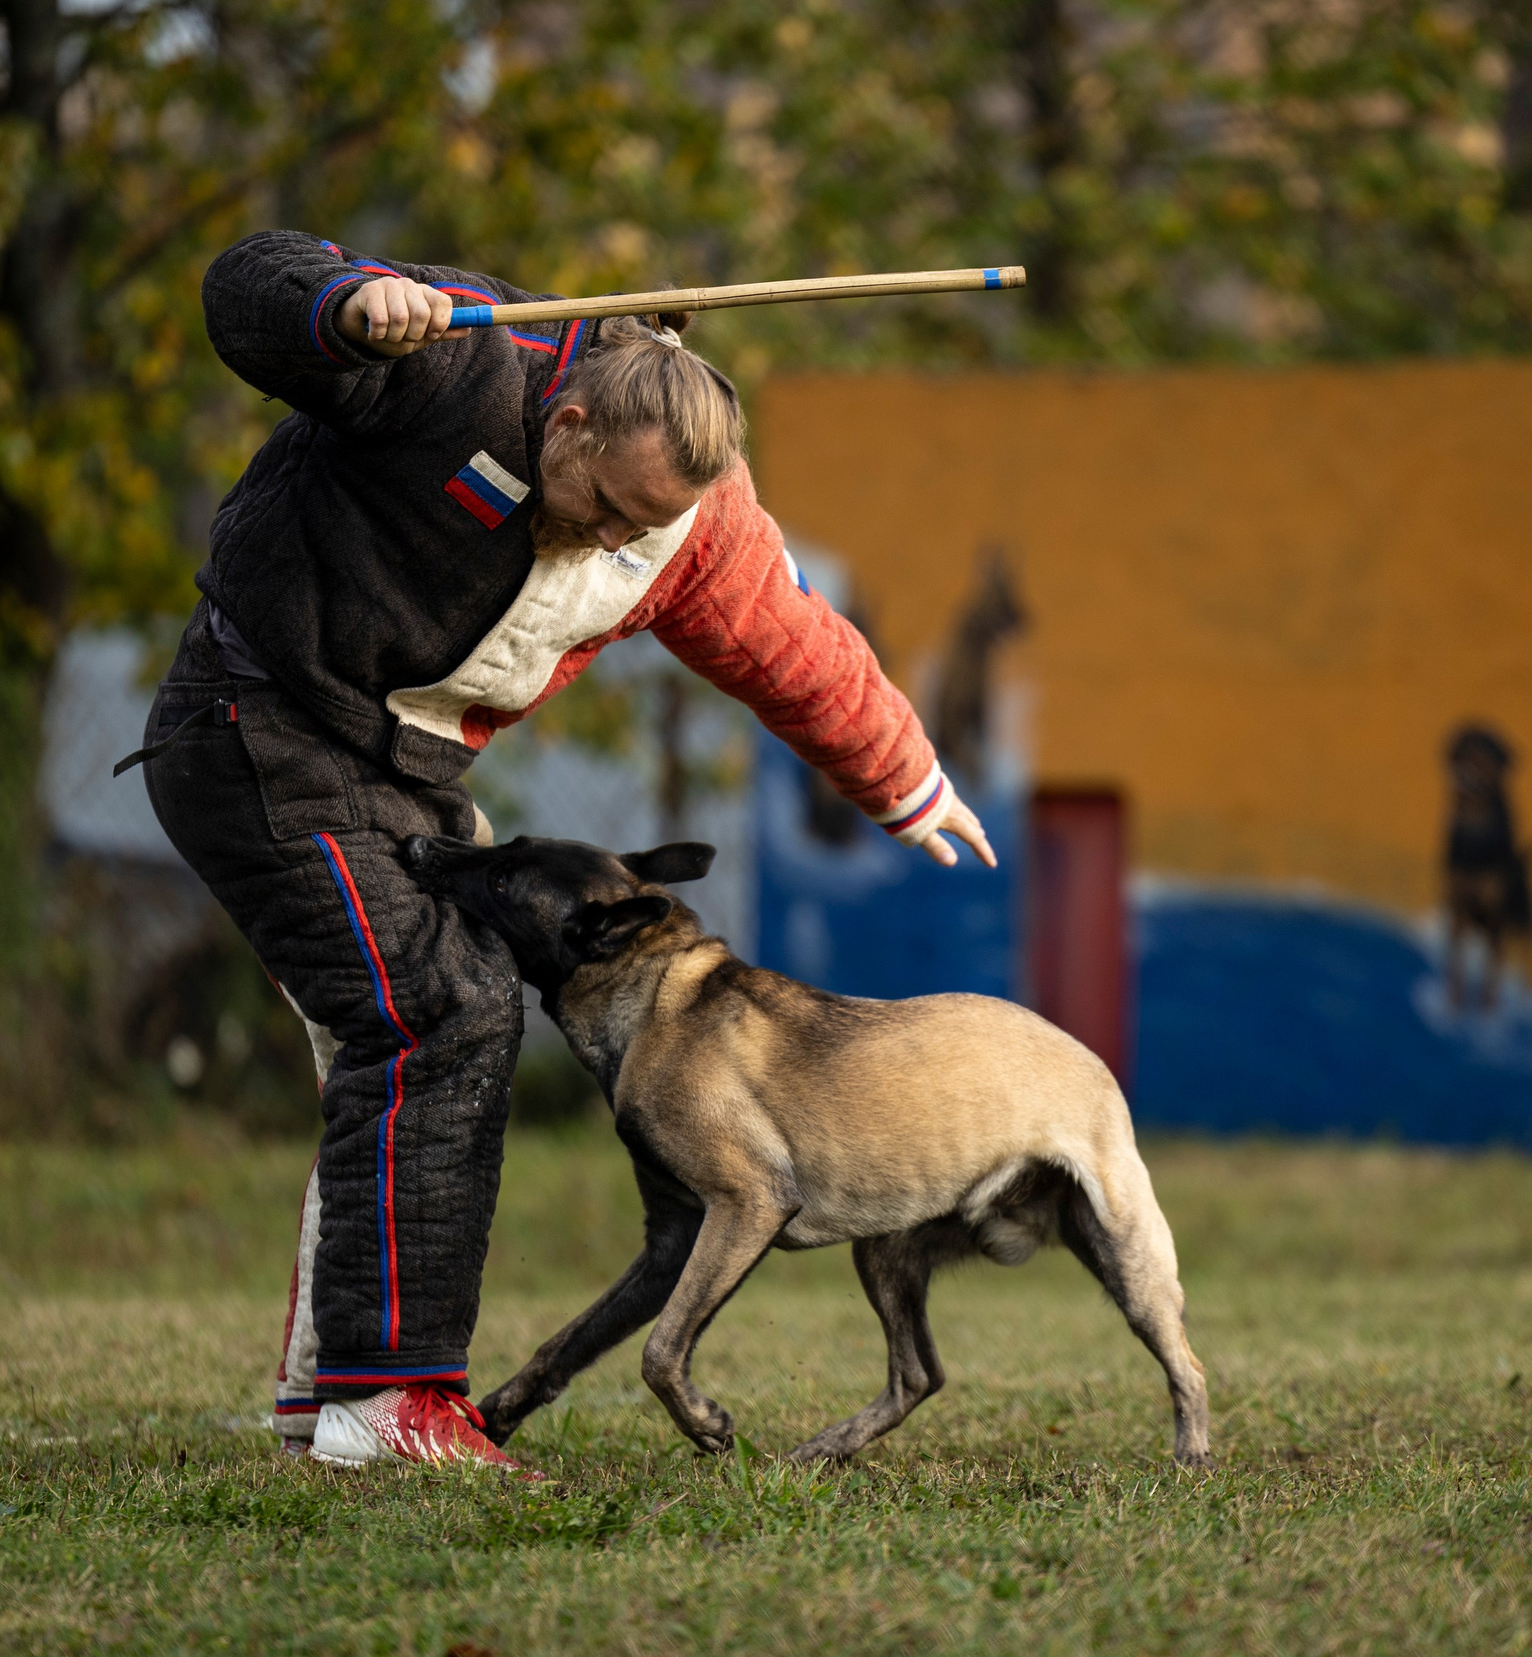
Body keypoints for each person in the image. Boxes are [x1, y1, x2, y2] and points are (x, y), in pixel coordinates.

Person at [138, 231, 996, 1473]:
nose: (606, 543)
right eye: (599, 502)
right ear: (573, 417)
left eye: (641, 527)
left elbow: (792, 647)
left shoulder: (689, 523)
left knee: (390, 1038)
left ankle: (331, 1398)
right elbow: (246, 283)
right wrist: (343, 304)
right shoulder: (458, 359)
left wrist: (908, 783)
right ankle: (389, 1405)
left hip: (411, 776)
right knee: (441, 1010)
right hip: (256, 724)